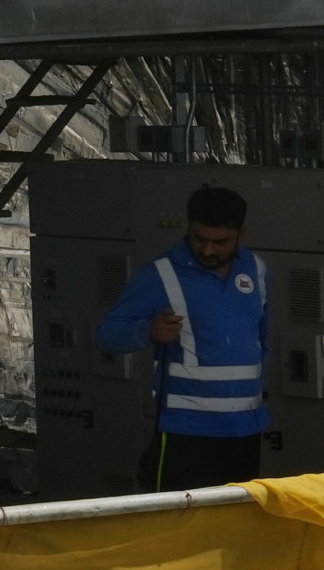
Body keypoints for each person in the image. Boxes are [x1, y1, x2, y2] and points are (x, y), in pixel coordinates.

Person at [91, 185, 272, 487]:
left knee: (236, 524)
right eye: (200, 238)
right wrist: (147, 331)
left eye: (220, 242)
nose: (208, 250)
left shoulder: (257, 271)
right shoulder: (160, 273)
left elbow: (260, 342)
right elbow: (106, 334)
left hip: (245, 428)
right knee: (179, 525)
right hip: (187, 430)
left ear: (242, 234)